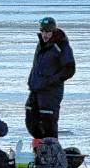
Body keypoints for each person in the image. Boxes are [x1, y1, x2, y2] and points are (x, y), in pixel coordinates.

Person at [25, 17, 75, 145]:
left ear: (53, 30)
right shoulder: (41, 43)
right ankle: (40, 150)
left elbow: (70, 68)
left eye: (48, 32)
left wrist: (52, 80)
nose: (45, 34)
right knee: (31, 118)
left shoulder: (61, 45)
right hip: (36, 88)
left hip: (50, 92)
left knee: (48, 122)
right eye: (43, 31)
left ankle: (51, 153)